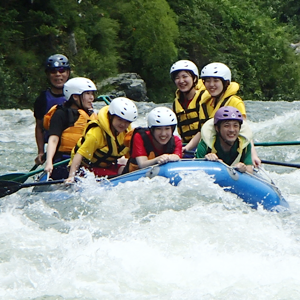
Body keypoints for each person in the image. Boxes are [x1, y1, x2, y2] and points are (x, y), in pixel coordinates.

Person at [184, 62, 260, 166]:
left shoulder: (235, 102)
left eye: (216, 81)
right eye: (208, 81)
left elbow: (243, 131)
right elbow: (203, 130)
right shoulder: (205, 102)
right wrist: (187, 148)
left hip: (230, 147)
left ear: (225, 83)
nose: (211, 85)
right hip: (211, 148)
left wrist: (253, 155)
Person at [65, 97, 138, 182]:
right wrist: (71, 176)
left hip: (106, 166)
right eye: (119, 119)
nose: (123, 124)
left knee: (129, 170)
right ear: (111, 116)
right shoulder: (95, 134)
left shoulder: (125, 134)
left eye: (127, 122)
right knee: (120, 174)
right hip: (86, 168)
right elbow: (79, 154)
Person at [43, 77, 98, 179]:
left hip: (86, 160)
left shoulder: (91, 115)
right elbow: (53, 139)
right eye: (88, 94)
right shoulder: (61, 114)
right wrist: (49, 162)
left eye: (92, 94)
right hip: (64, 161)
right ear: (75, 97)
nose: (92, 98)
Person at [34, 54, 71, 165]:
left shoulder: (77, 96)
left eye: (62, 70)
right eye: (53, 71)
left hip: (75, 147)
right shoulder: (42, 99)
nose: (58, 75)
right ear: (48, 74)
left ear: (68, 73)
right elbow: (39, 128)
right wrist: (41, 152)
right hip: (54, 149)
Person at [123, 107, 182, 173]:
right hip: (133, 176)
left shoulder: (176, 141)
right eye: (158, 129)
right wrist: (158, 159)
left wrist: (174, 157)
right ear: (152, 130)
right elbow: (142, 164)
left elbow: (177, 156)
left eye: (167, 128)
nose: (163, 134)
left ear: (172, 130)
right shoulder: (140, 137)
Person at [195, 106, 254, 173]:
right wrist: (207, 162)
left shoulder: (244, 145)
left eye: (235, 126)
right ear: (217, 128)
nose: (232, 130)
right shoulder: (205, 144)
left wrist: (244, 169)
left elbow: (250, 171)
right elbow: (197, 170)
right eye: (226, 125)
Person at [170, 60, 206, 146]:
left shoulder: (204, 98)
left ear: (194, 79)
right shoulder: (176, 103)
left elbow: (206, 128)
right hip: (185, 144)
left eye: (185, 76)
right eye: (177, 78)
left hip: (204, 145)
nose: (181, 81)